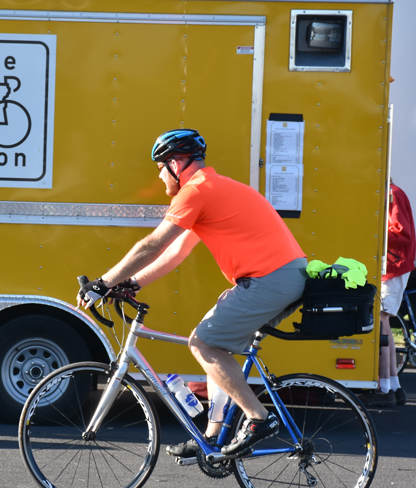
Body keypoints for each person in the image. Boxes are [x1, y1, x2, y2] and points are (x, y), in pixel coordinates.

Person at [77, 129, 307, 459]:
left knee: (203, 344)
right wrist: (132, 283)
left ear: (176, 163)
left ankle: (259, 419)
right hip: (280, 277)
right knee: (214, 346)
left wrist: (102, 283)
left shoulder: (196, 191)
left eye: (160, 166)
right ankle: (213, 437)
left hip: (271, 279)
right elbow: (175, 253)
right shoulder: (213, 188)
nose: (159, 175)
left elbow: (152, 245)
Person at [358, 181, 416, 408]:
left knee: (380, 323)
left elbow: (402, 233)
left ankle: (385, 391)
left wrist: (371, 234)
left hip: (394, 265)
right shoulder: (392, 192)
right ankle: (393, 386)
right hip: (395, 265)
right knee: (384, 324)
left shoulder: (392, 193)